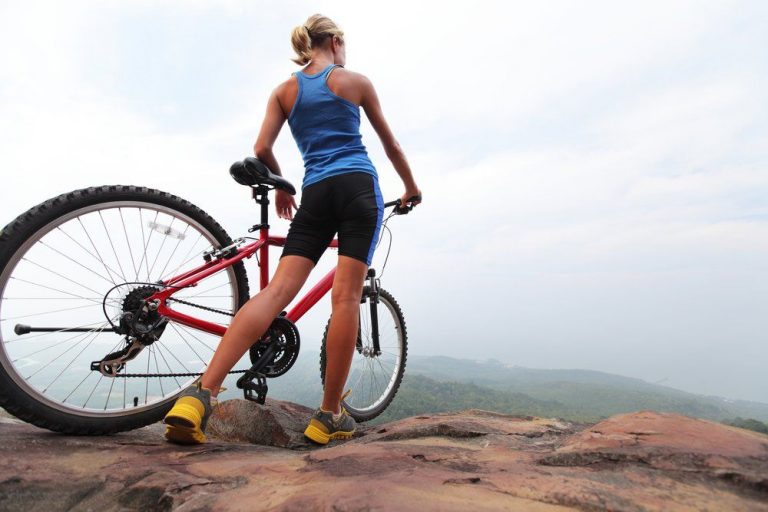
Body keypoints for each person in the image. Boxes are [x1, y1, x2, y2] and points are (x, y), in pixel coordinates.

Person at [163, 14, 421, 445]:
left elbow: (262, 148)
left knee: (276, 292)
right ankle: (329, 415)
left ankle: (199, 396)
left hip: (316, 193)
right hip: (358, 188)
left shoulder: (284, 91)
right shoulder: (356, 82)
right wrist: (411, 188)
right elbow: (390, 145)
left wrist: (284, 187)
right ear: (335, 42)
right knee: (346, 297)